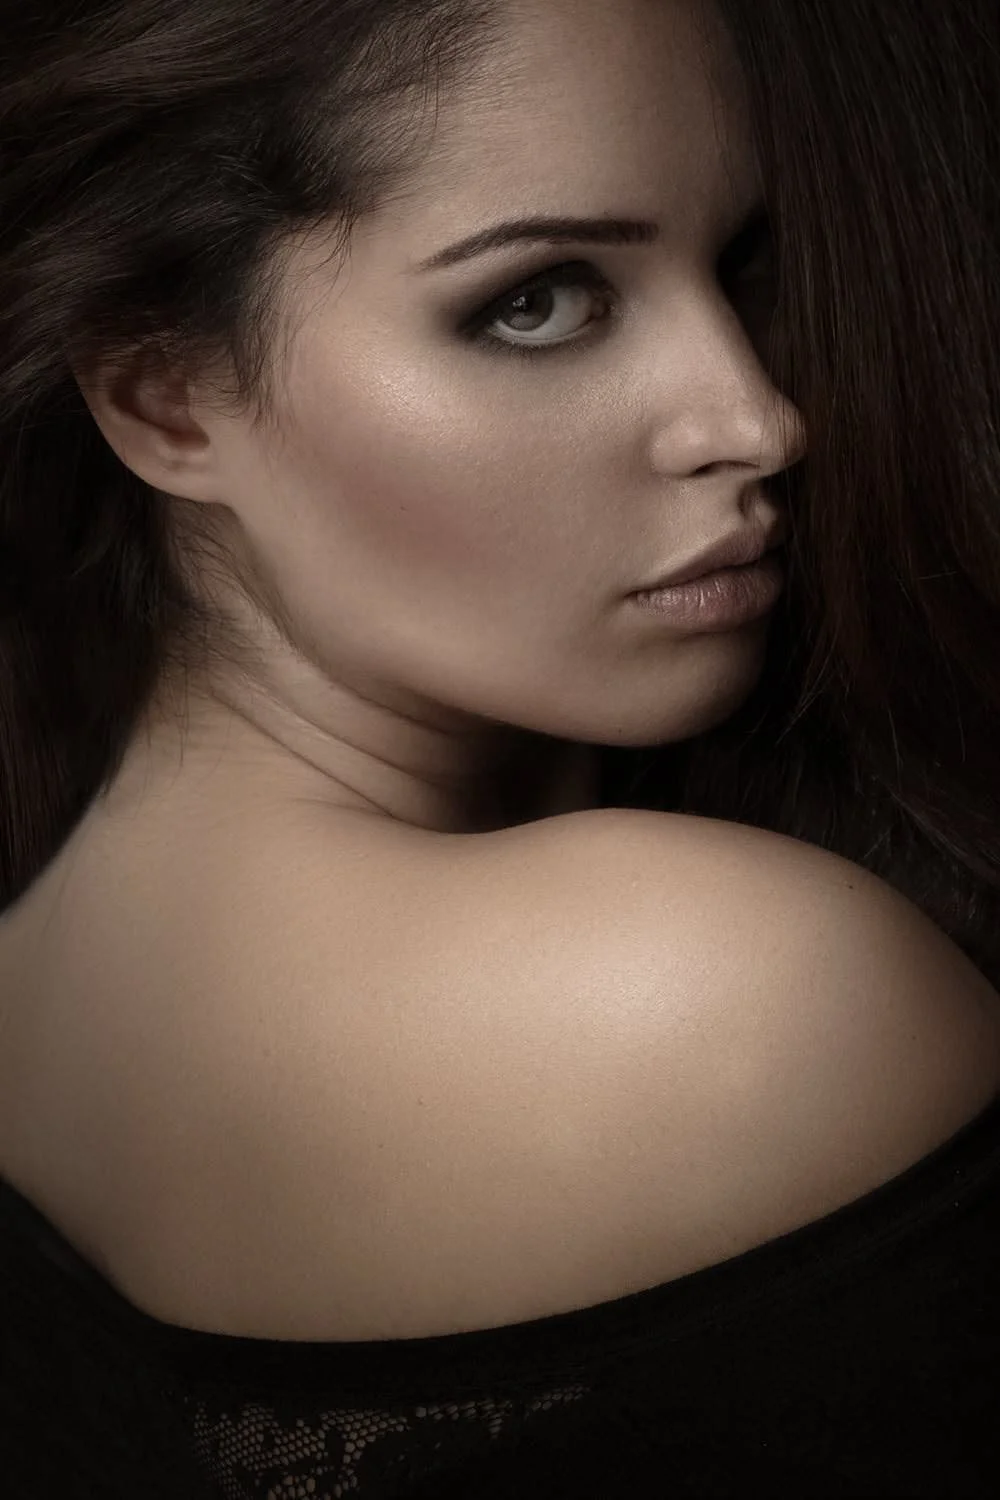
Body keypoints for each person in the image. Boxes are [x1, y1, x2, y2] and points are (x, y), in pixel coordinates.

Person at [0, 0, 998, 1495]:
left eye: (737, 266)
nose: (756, 417)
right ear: (167, 394)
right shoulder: (729, 997)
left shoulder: (34, 1005)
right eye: (538, 303)